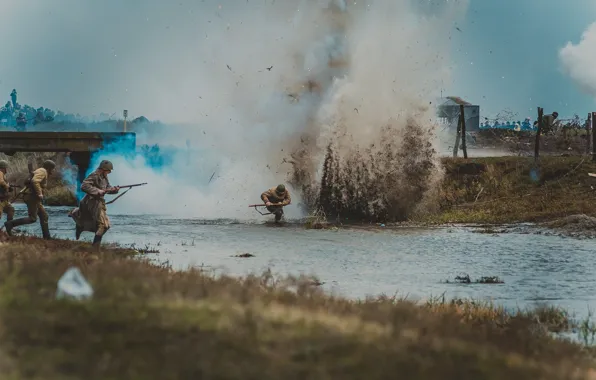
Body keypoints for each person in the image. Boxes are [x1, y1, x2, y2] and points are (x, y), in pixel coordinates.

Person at [69, 160, 119, 247]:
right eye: (108, 170)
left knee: (103, 225)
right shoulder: (94, 175)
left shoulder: (104, 176)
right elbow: (84, 186)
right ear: (103, 169)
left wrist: (114, 190)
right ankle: (95, 247)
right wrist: (97, 191)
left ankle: (81, 227)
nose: (110, 172)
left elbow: (107, 187)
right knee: (103, 225)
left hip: (98, 202)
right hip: (91, 202)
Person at [4, 159, 56, 239]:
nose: (53, 170)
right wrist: (40, 194)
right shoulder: (43, 171)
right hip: (32, 197)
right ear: (49, 168)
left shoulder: (40, 170)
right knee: (32, 218)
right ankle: (10, 224)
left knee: (44, 216)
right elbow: (35, 181)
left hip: (33, 197)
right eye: (52, 168)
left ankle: (47, 237)